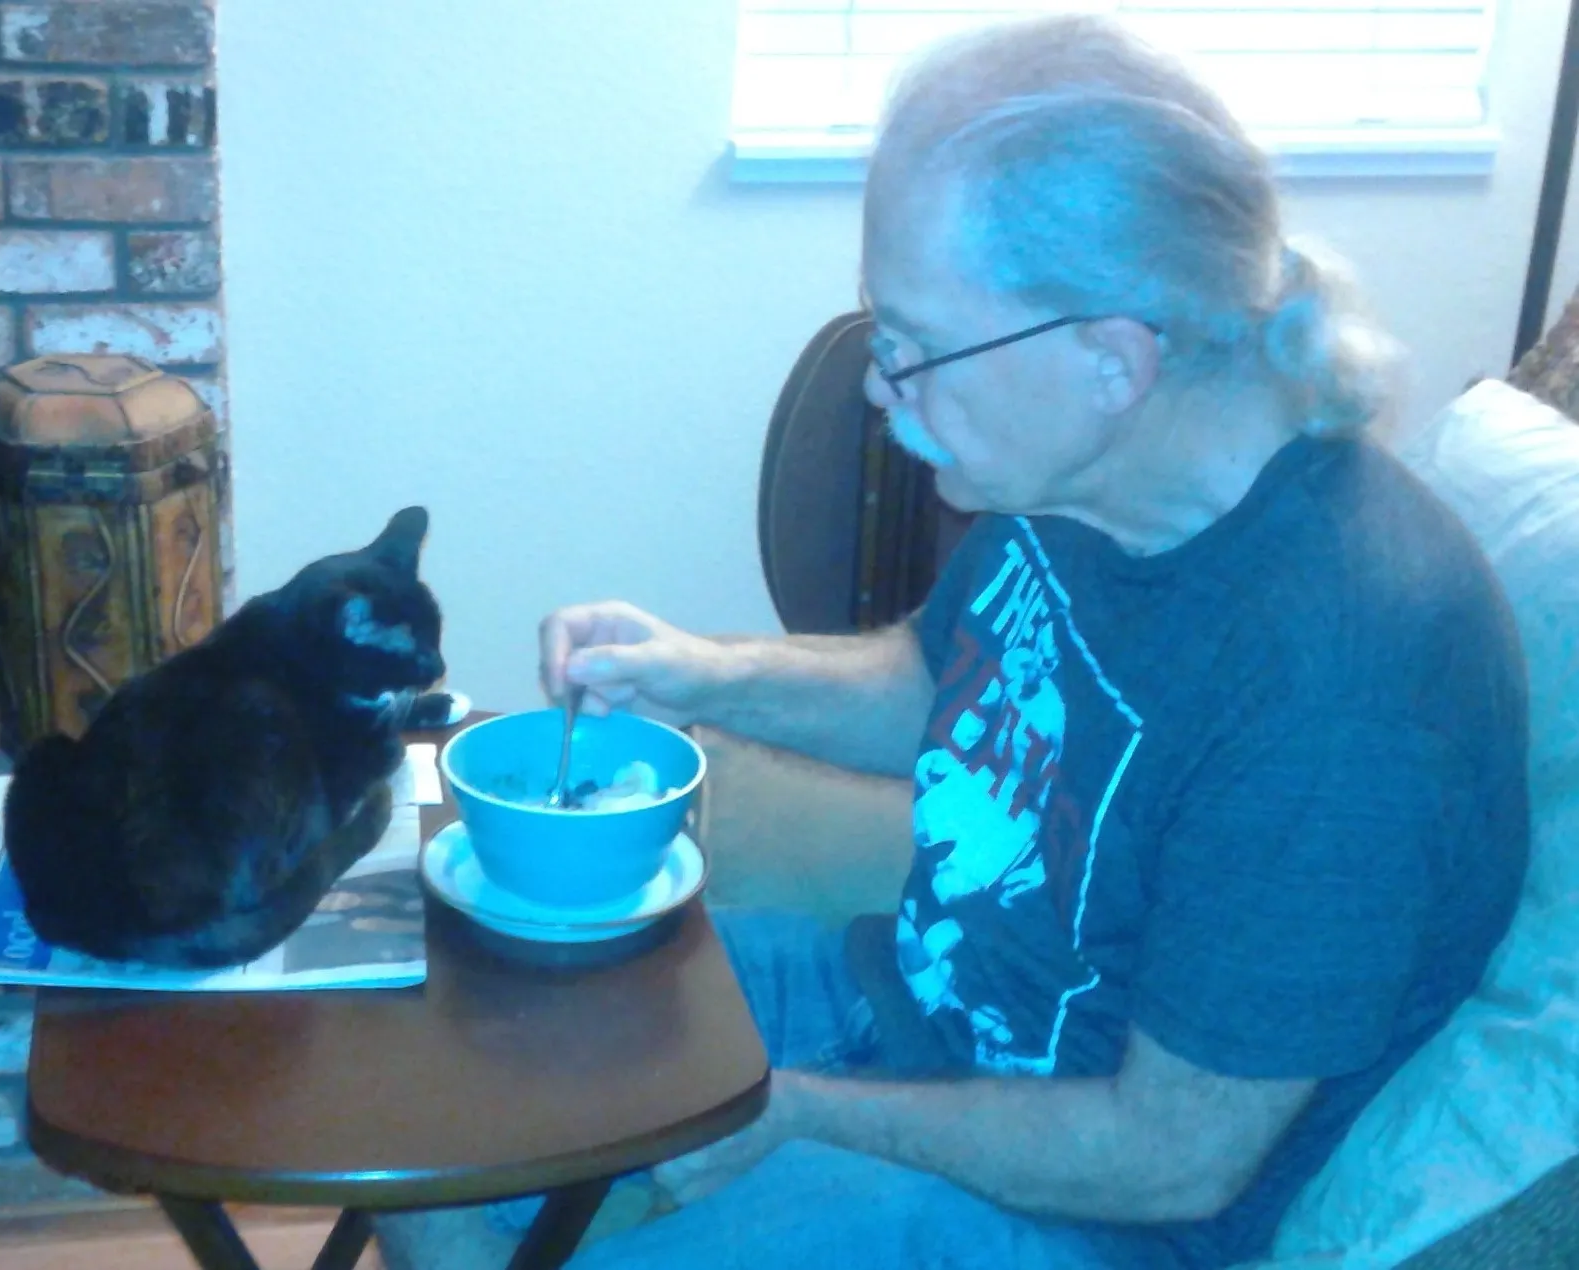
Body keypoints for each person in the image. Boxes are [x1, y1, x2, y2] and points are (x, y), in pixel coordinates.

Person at [377, 13, 1529, 1270]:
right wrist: (696, 674)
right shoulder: (1082, 482)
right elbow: (945, 687)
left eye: (917, 347)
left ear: (1109, 358)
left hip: (1079, 1215)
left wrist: (788, 1112)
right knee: (452, 1040)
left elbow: (1172, 1156)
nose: (880, 388)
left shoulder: (1344, 685)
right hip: (908, 1002)